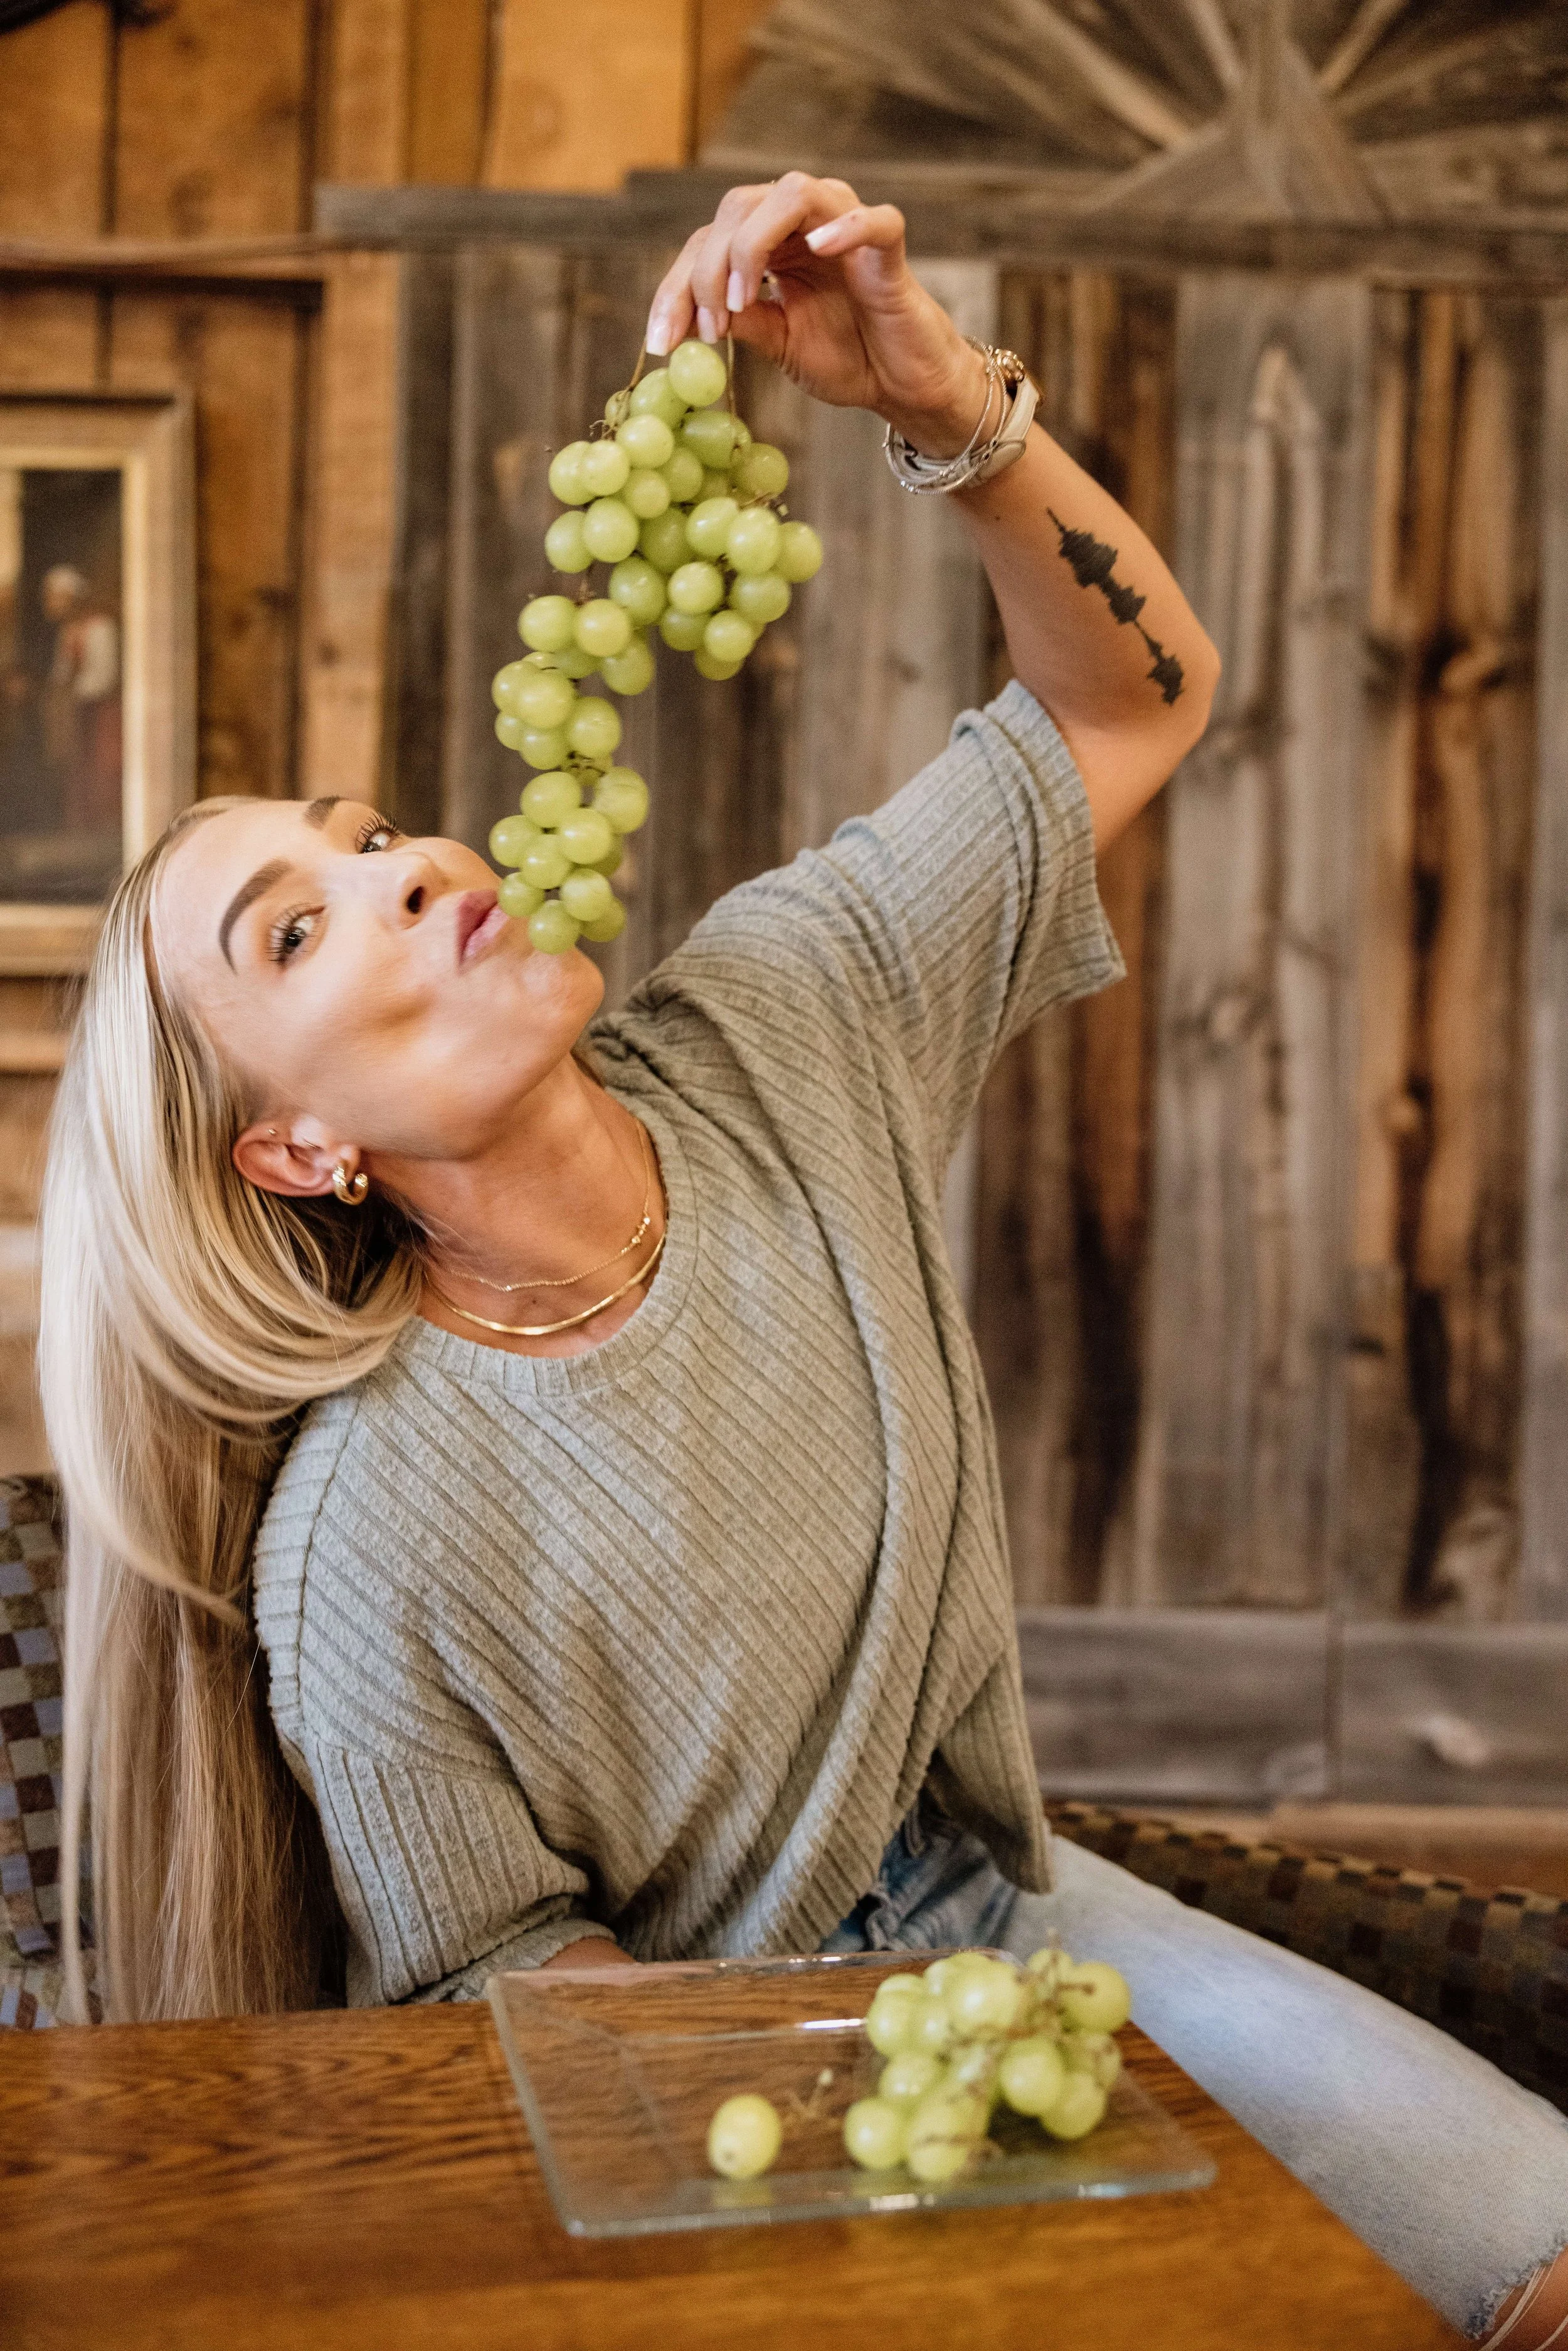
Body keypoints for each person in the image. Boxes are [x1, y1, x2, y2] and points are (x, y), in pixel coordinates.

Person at [38, 174, 1567, 2342]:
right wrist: (825, 2094)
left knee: (1535, 2245)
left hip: (1022, 1924)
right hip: (720, 2099)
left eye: (366, 833)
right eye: (297, 924)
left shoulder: (788, 1009)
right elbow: (491, 1978)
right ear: (294, 1142)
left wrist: (947, 406)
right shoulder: (362, 1548)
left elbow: (1132, 704)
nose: (397, 871)